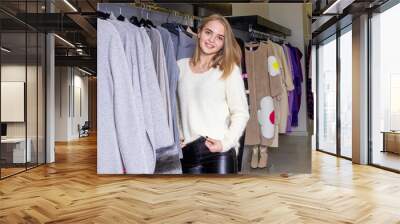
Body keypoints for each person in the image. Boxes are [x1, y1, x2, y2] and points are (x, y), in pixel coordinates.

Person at [177, 14, 250, 174]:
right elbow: (175, 108)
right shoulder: (180, 67)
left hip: (219, 152)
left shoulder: (229, 70)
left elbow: (241, 113)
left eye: (219, 38)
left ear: (224, 43)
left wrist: (226, 143)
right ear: (199, 31)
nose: (211, 40)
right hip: (188, 151)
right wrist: (179, 134)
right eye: (208, 32)